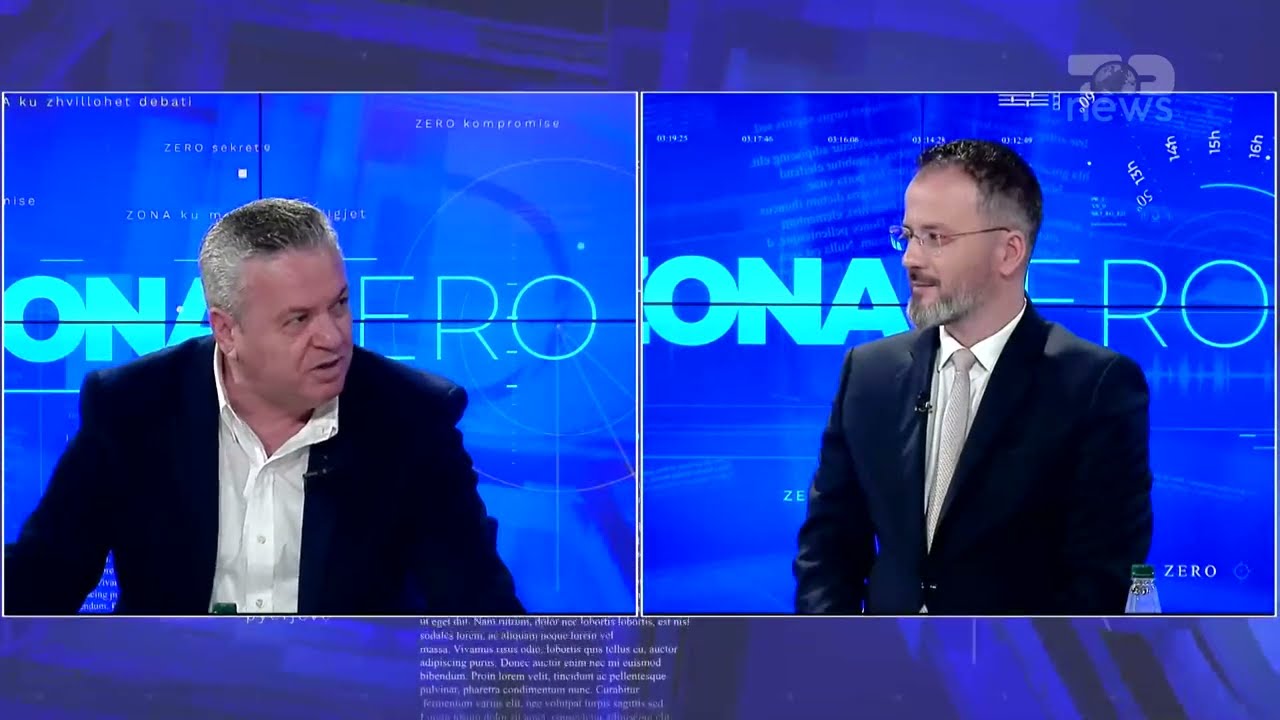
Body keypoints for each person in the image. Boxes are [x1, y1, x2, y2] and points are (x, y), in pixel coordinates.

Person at [4, 198, 525, 616]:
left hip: (338, 693)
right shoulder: (134, 407)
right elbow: (43, 577)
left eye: (339, 305)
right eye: (298, 319)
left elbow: (478, 608)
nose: (332, 337)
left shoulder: (411, 418)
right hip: (166, 687)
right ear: (227, 331)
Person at [793, 140, 1153, 615]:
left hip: (1018, 660)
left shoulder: (1095, 387)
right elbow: (827, 550)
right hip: (881, 656)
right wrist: (839, 647)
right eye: (908, 235)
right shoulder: (868, 374)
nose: (910, 259)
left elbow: (1102, 578)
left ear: (1008, 252)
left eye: (935, 238)